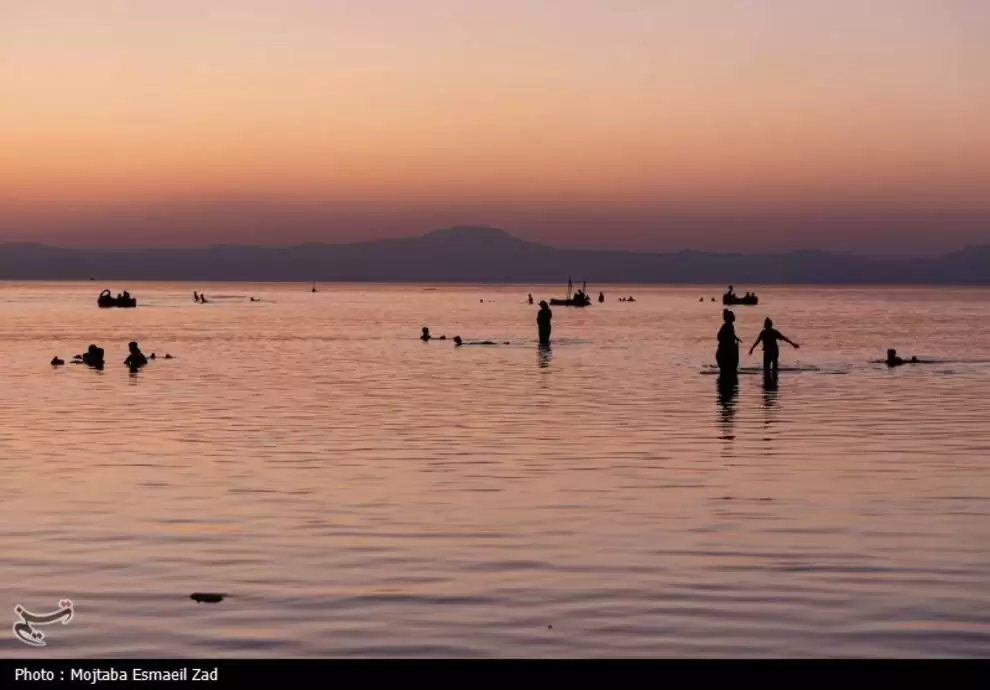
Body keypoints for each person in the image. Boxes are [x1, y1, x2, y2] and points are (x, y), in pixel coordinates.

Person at [716, 309, 741, 374]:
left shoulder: (730, 326)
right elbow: (719, 336)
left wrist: (736, 338)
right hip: (726, 347)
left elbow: (732, 334)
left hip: (728, 347)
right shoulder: (726, 326)